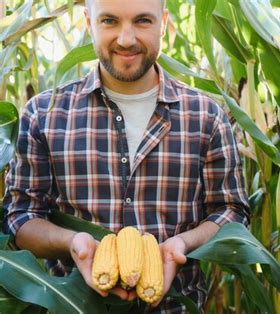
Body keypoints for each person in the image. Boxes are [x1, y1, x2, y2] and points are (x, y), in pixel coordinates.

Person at [2, 0, 250, 312]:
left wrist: (181, 245)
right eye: (109, 21)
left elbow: (231, 212)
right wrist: (74, 244)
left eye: (142, 21)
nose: (126, 39)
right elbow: (21, 217)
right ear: (88, 22)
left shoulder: (206, 117)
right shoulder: (43, 115)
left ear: (163, 22)